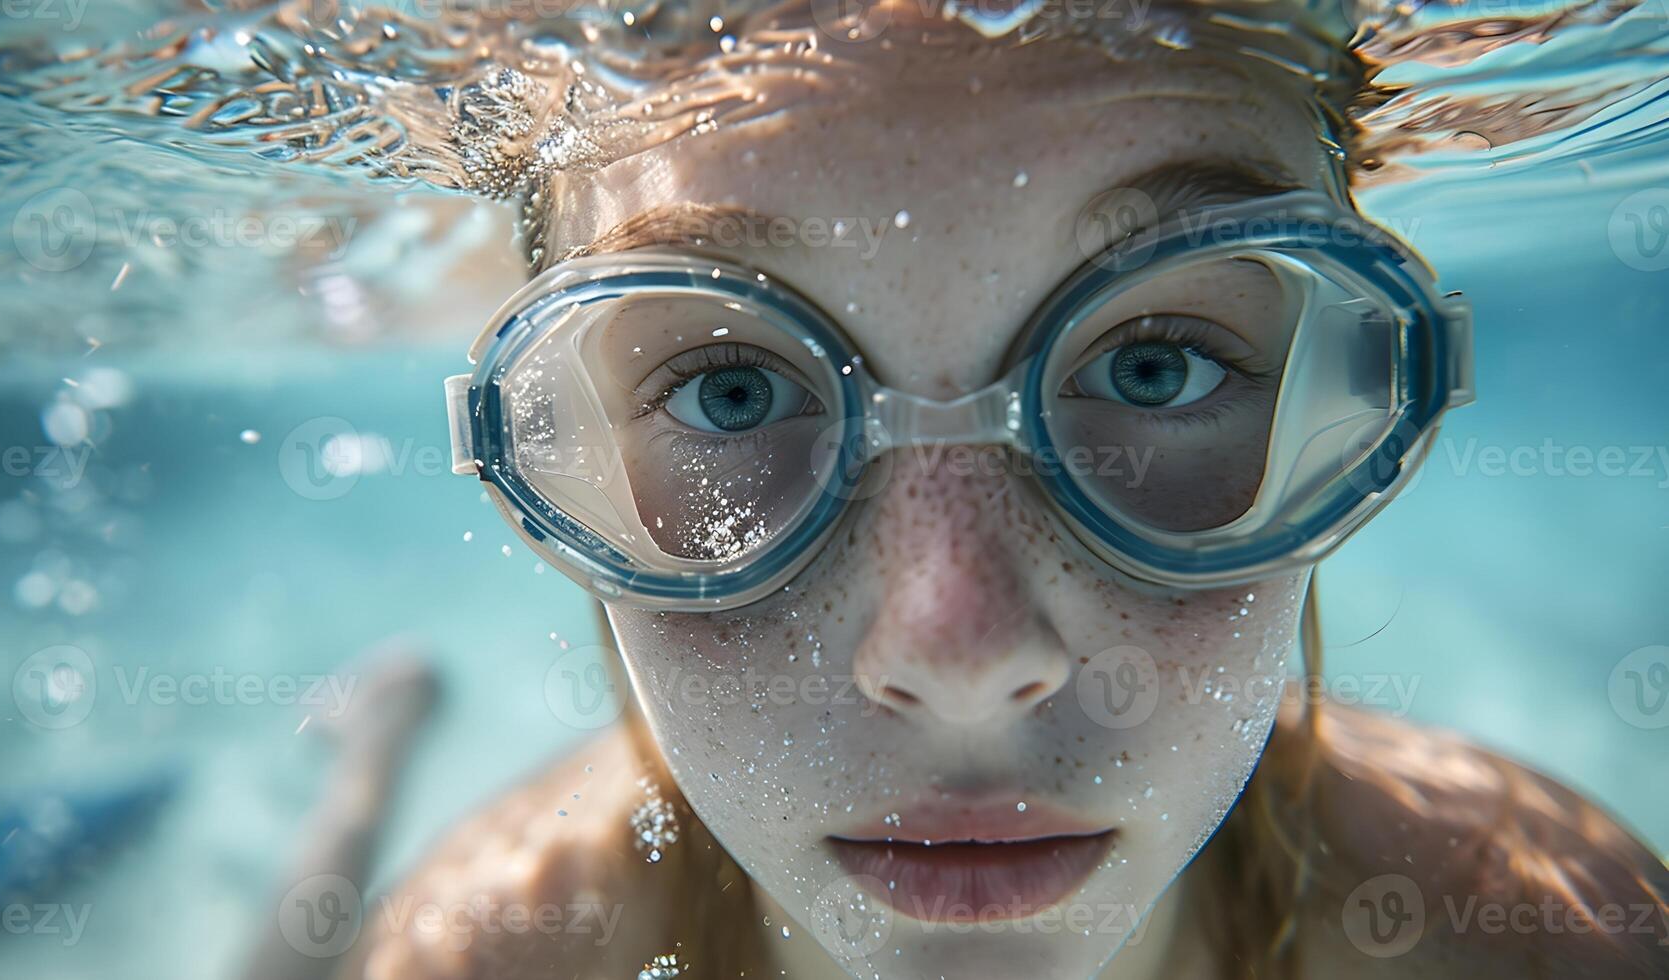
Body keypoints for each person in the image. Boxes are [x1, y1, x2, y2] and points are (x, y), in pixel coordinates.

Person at [335, 2, 1669, 977]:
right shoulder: (486, 955)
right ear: (550, 457)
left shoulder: (1550, 935)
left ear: (1353, 400)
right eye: (725, 390)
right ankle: (361, 772)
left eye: (1154, 369)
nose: (961, 654)